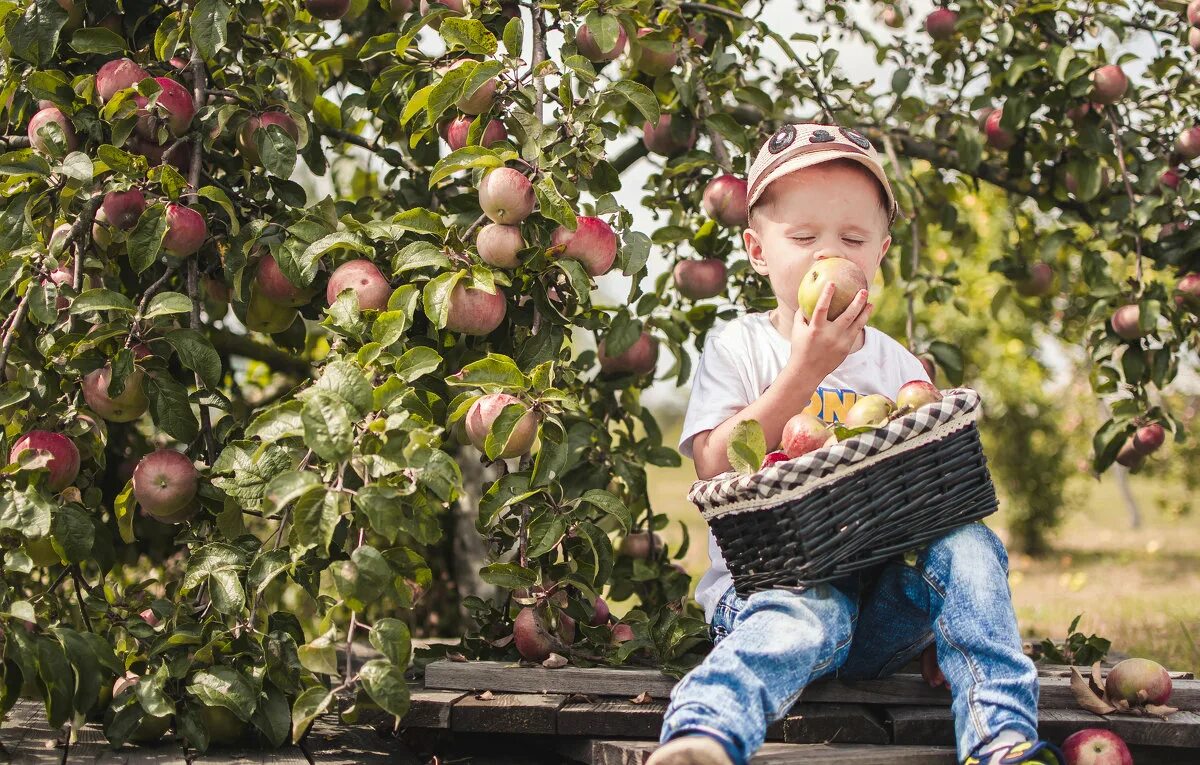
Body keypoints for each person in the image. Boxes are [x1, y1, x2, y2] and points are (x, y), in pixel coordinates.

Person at [646, 123, 1062, 765]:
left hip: (879, 613)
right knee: (805, 614)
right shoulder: (738, 348)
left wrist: (942, 608)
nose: (827, 255)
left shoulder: (897, 365)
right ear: (757, 250)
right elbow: (712, 464)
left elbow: (932, 491)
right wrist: (804, 371)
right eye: (804, 237)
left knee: (971, 545)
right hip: (770, 594)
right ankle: (706, 734)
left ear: (881, 252)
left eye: (853, 239)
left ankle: (1000, 740)